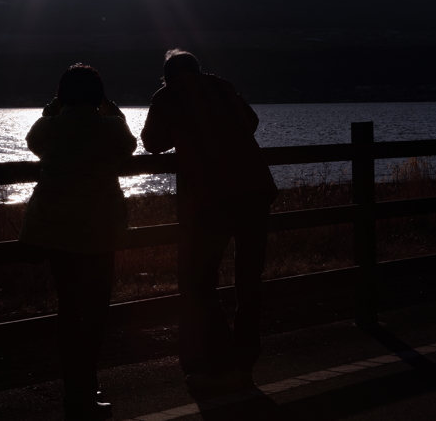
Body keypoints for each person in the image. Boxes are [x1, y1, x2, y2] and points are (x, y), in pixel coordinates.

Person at [140, 49, 278, 399]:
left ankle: (222, 367)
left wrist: (185, 136)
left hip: (213, 196)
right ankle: (245, 364)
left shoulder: (168, 95)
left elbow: (153, 143)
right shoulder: (223, 87)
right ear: (198, 70)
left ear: (167, 75)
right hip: (256, 190)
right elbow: (251, 122)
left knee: (200, 284)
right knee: (248, 280)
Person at [19, 64, 137, 421]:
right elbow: (129, 146)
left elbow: (33, 142)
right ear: (98, 96)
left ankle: (76, 388)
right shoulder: (110, 127)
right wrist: (111, 109)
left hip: (56, 229)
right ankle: (85, 386)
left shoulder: (50, 128)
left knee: (68, 308)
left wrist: (52, 109)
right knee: (96, 311)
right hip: (100, 230)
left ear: (61, 95)